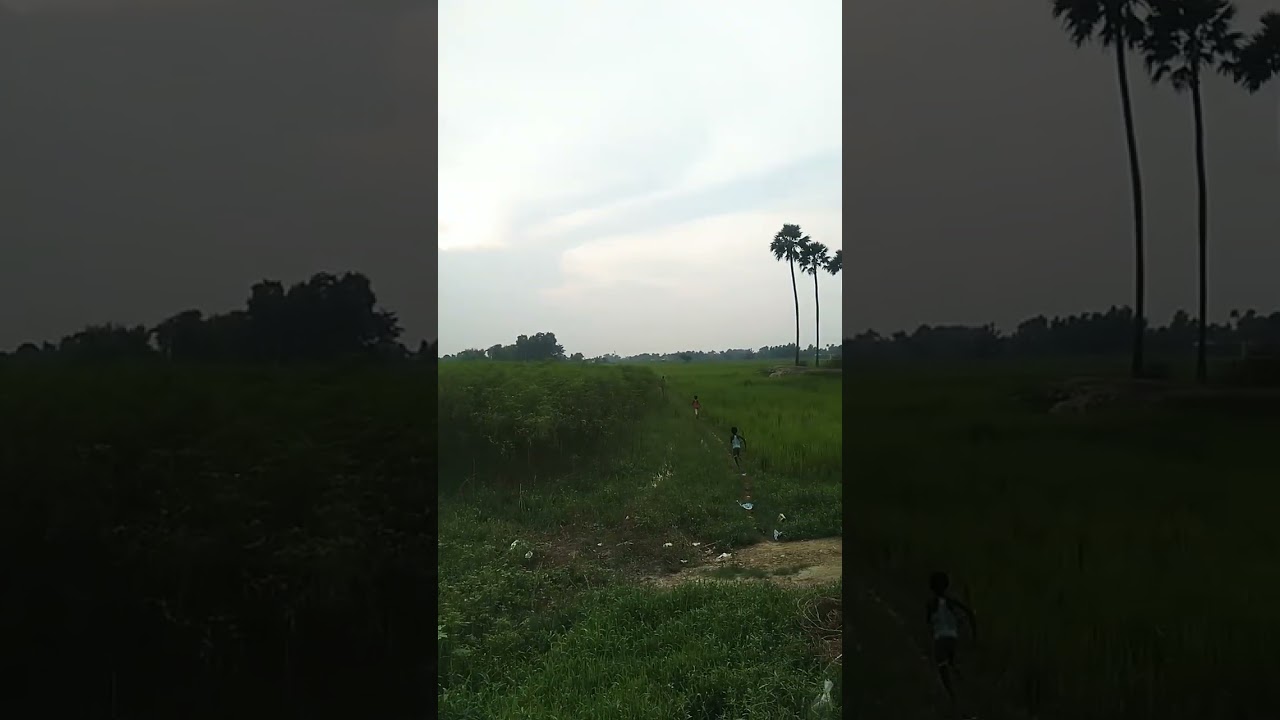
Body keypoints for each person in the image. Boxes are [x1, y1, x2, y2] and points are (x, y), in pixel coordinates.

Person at [926, 571, 978, 719]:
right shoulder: (951, 601)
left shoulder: (931, 604)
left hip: (939, 639)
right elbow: (968, 613)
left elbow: (929, 622)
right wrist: (973, 631)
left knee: (942, 669)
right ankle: (960, 692)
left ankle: (953, 699)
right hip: (952, 638)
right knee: (952, 663)